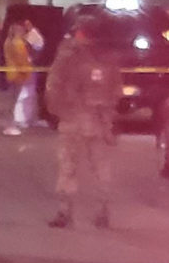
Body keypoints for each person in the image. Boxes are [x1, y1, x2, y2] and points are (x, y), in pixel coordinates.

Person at [45, 14, 123, 229]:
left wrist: (55, 111)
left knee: (68, 166)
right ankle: (103, 211)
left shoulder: (68, 54)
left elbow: (54, 84)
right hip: (99, 121)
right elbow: (116, 90)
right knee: (101, 167)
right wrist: (108, 117)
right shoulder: (109, 57)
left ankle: (65, 212)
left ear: (79, 31)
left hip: (73, 118)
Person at [2, 22, 35, 136]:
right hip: (19, 75)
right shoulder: (19, 43)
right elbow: (23, 60)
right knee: (13, 101)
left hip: (10, 73)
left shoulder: (8, 42)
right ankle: (10, 126)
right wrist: (27, 71)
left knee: (11, 100)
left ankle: (8, 124)